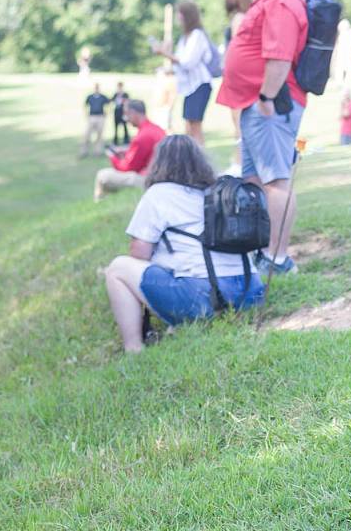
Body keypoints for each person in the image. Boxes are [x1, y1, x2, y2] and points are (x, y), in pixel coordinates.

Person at [104, 135, 265, 353]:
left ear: (159, 163)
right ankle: (184, 323)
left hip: (204, 297)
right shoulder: (217, 190)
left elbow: (139, 253)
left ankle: (134, 348)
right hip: (250, 290)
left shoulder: (158, 194)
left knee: (117, 268)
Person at [216, 0, 308, 275]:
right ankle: (264, 252)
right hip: (256, 105)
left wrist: (266, 99)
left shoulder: (281, 0)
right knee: (257, 178)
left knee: (276, 182)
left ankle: (278, 259)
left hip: (271, 105)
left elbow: (280, 58)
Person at [155, 0, 214, 146]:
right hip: (190, 87)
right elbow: (180, 64)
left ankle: (199, 162)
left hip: (199, 85)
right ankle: (192, 159)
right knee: (188, 125)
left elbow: (188, 62)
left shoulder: (197, 36)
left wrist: (164, 53)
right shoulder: (185, 37)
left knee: (195, 126)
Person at [93, 99, 165, 202]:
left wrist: (112, 156)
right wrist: (127, 152)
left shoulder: (142, 136)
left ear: (134, 113)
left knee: (102, 176)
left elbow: (127, 167)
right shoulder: (157, 129)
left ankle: (100, 203)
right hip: (160, 175)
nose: (126, 119)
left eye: (126, 114)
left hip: (148, 179)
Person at [224, 0, 254, 174]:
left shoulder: (239, 19)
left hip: (237, 78)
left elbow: (237, 49)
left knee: (239, 123)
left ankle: (239, 161)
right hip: (240, 76)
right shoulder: (247, 17)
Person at [80, 83, 109, 157]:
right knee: (87, 135)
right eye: (95, 88)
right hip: (92, 117)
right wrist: (86, 114)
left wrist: (106, 113)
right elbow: (85, 105)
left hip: (100, 117)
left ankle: (98, 151)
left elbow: (108, 104)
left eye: (98, 88)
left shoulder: (103, 97)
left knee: (99, 135)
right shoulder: (90, 97)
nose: (97, 89)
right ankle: (84, 151)